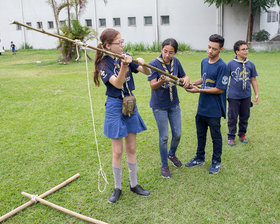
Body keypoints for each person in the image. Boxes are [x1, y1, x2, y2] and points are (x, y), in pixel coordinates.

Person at [93, 28, 151, 203]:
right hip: (114, 105)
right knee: (117, 151)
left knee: (131, 148)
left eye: (122, 41)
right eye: (118, 42)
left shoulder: (126, 55)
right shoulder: (103, 65)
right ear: (108, 46)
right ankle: (117, 187)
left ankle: (134, 184)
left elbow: (147, 72)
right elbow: (117, 84)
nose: (122, 45)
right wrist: (124, 66)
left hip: (129, 103)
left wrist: (143, 63)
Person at [185, 34, 229, 174]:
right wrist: (194, 84)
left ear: (220, 50)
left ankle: (216, 162)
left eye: (214, 49)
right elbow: (205, 78)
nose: (210, 51)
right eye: (209, 47)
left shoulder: (223, 66)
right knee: (200, 134)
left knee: (216, 137)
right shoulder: (204, 61)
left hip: (214, 109)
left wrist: (199, 90)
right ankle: (199, 158)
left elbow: (219, 89)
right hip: (202, 107)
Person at [148, 38, 190, 178]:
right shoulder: (154, 64)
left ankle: (171, 154)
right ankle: (164, 165)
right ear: (161, 49)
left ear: (175, 53)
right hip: (159, 106)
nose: (167, 55)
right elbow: (153, 86)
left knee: (177, 134)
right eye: (165, 51)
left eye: (171, 52)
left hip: (174, 104)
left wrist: (186, 79)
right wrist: (161, 81)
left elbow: (183, 76)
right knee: (164, 137)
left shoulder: (176, 62)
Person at [227, 40, 259, 146]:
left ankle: (242, 134)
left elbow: (253, 79)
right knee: (232, 117)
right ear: (237, 51)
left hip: (246, 96)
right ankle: (231, 136)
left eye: (246, 49)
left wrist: (256, 94)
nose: (246, 51)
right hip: (233, 96)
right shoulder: (230, 64)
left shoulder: (250, 64)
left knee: (245, 116)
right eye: (243, 49)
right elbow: (225, 79)